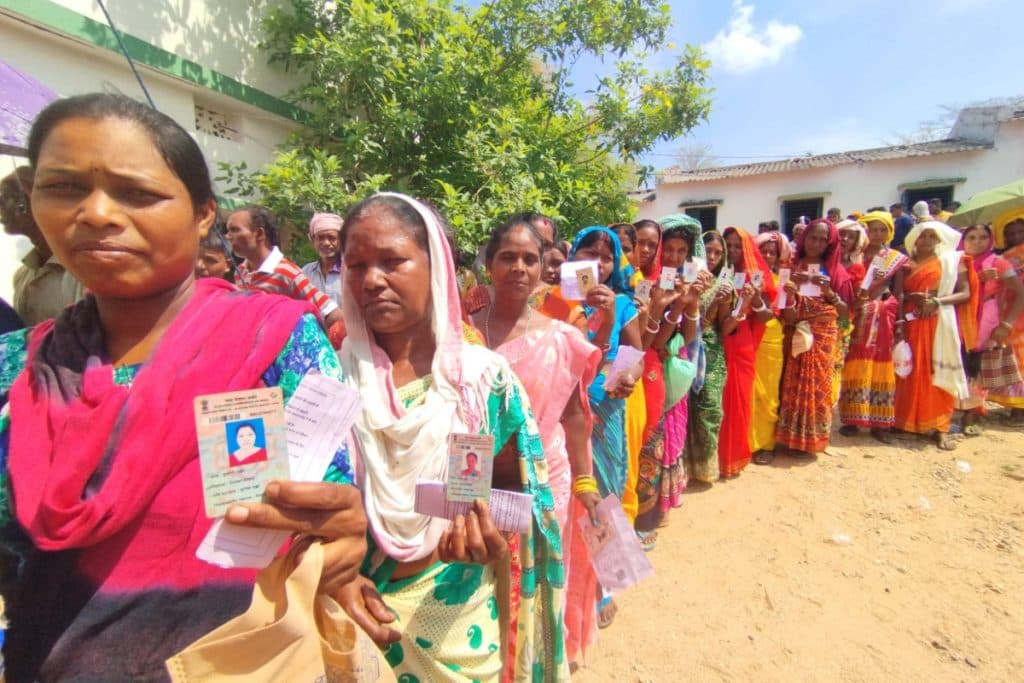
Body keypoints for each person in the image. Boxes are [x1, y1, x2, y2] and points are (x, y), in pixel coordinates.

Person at [0, 92, 366, 681]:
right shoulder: (15, 368)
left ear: (202, 216)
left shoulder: (272, 342)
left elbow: (324, 515)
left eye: (137, 193)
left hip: (230, 662)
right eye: (64, 187)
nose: (95, 213)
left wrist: (342, 535)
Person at [334, 193, 567, 680]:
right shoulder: (330, 382)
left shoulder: (483, 384)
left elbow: (512, 496)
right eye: (354, 266)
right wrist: (334, 574)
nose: (371, 280)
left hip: (458, 627)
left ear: (435, 265)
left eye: (392, 261)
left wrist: (492, 537)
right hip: (357, 619)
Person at [470, 214, 601, 667]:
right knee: (477, 587)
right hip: (475, 485)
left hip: (543, 486)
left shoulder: (562, 339)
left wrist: (587, 485)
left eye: (530, 259)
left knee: (534, 593)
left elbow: (574, 415)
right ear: (489, 264)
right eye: (508, 257)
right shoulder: (462, 335)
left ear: (544, 267)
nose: (519, 268)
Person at [566, 225, 640, 628]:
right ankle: (570, 578)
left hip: (605, 408)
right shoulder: (554, 301)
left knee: (604, 494)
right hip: (562, 410)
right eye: (588, 252)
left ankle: (606, 584)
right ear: (572, 256)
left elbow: (635, 353)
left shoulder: (624, 303)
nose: (597, 262)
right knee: (569, 496)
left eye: (606, 256)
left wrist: (627, 377)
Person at [633, 216, 704, 546]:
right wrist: (669, 310)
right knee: (645, 435)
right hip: (646, 362)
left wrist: (690, 303)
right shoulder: (644, 282)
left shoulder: (686, 282)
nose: (673, 257)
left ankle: (654, 510)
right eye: (669, 249)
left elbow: (687, 337)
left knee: (661, 437)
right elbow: (655, 342)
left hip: (670, 365)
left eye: (681, 250)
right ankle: (638, 512)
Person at [894, 221, 975, 450]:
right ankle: (906, 423)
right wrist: (912, 301)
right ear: (915, 239)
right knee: (909, 370)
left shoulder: (951, 262)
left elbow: (965, 293)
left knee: (937, 370)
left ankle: (940, 426)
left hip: (938, 323)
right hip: (911, 323)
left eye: (932, 236)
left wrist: (936, 301)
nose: (927, 240)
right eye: (923, 235)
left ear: (940, 239)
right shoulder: (904, 264)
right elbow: (900, 294)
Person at [776, 219, 852, 456]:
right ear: (803, 238)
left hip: (823, 336)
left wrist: (829, 292)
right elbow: (783, 312)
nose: (816, 244)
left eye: (822, 240)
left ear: (829, 244)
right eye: (812, 238)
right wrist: (789, 292)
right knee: (792, 384)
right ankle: (789, 438)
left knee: (818, 387)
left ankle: (813, 439)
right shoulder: (790, 267)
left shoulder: (835, 271)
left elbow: (845, 313)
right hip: (795, 332)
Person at [837, 210, 908, 443]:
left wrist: (898, 320)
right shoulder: (854, 256)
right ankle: (852, 419)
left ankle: (879, 422)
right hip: (858, 316)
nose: (877, 234)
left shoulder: (895, 258)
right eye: (872, 229)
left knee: (880, 367)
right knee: (855, 365)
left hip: (882, 317)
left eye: (882, 230)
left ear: (889, 232)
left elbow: (898, 292)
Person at [226, 205, 344, 328]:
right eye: (228, 231)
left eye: (235, 230)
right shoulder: (240, 272)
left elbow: (330, 313)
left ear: (259, 234)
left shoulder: (287, 273)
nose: (228, 236)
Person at [956, 224, 1024, 432]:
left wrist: (1006, 324)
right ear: (963, 240)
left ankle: (972, 413)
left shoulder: (998, 263)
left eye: (983, 237)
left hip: (986, 317)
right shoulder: (955, 261)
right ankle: (962, 407)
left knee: (979, 365)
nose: (977, 242)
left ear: (991, 240)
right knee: (960, 361)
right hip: (959, 315)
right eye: (972, 237)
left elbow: (1020, 294)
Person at [719, 227, 776, 477]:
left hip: (741, 343)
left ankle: (733, 458)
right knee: (718, 403)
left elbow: (766, 316)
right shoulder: (715, 272)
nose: (731, 251)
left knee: (739, 401)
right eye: (727, 246)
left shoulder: (756, 276)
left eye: (736, 246)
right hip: (717, 343)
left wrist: (753, 300)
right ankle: (715, 458)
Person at [1, 166, 84, 325]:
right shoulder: (22, 276)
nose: (1, 204)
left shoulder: (82, 271)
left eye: (8, 194)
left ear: (37, 200)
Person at [684, 229, 731, 484]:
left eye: (718, 253)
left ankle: (706, 468)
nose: (712, 257)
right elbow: (688, 316)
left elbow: (723, 325)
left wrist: (722, 303)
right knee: (686, 407)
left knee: (709, 407)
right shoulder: (690, 277)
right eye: (708, 251)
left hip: (712, 351)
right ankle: (688, 469)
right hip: (688, 345)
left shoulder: (724, 283)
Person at [750, 232, 791, 462]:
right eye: (763, 251)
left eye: (772, 252)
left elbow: (784, 314)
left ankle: (766, 444)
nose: (767, 255)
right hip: (749, 338)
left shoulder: (782, 280)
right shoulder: (749, 277)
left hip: (772, 337)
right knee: (749, 391)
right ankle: (746, 441)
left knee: (768, 392)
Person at [987, 210, 1024, 423]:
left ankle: (1019, 409)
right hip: (1007, 313)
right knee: (1013, 361)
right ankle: (1015, 406)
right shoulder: (1002, 259)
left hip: (1017, 314)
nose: (1016, 237)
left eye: (1020, 231)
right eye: (1010, 233)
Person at [834, 219, 869, 403]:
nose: (845, 239)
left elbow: (857, 302)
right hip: (817, 319)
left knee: (835, 364)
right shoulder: (822, 263)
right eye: (842, 234)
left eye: (851, 237)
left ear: (857, 242)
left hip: (843, 321)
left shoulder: (857, 269)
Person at [301, 212, 343, 307]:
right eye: (320, 238)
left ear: (341, 240)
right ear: (313, 240)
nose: (326, 243)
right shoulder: (306, 272)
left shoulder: (350, 271)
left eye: (332, 238)